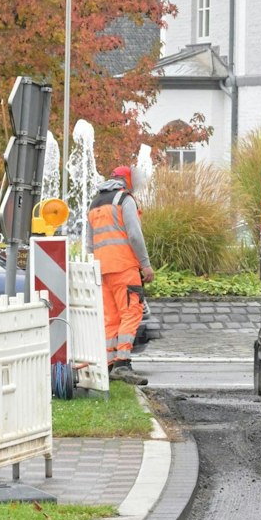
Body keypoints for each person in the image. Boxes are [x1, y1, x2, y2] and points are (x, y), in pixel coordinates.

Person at [89, 165, 154, 386]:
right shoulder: (125, 199)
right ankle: (123, 364)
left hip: (102, 269)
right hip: (124, 267)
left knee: (111, 317)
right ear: (127, 180)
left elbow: (89, 243)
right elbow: (134, 235)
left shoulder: (95, 202)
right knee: (131, 312)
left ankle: (109, 364)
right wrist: (145, 265)